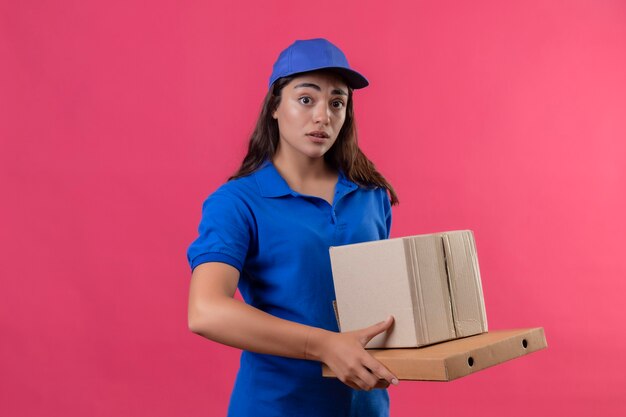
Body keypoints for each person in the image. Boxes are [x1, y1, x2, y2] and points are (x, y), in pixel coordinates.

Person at [186, 38, 400, 417]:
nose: (323, 116)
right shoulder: (237, 202)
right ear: (274, 106)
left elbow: (378, 309)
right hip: (276, 407)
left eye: (337, 102)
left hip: (365, 408)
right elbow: (206, 310)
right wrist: (322, 345)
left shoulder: (372, 195)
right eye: (306, 99)